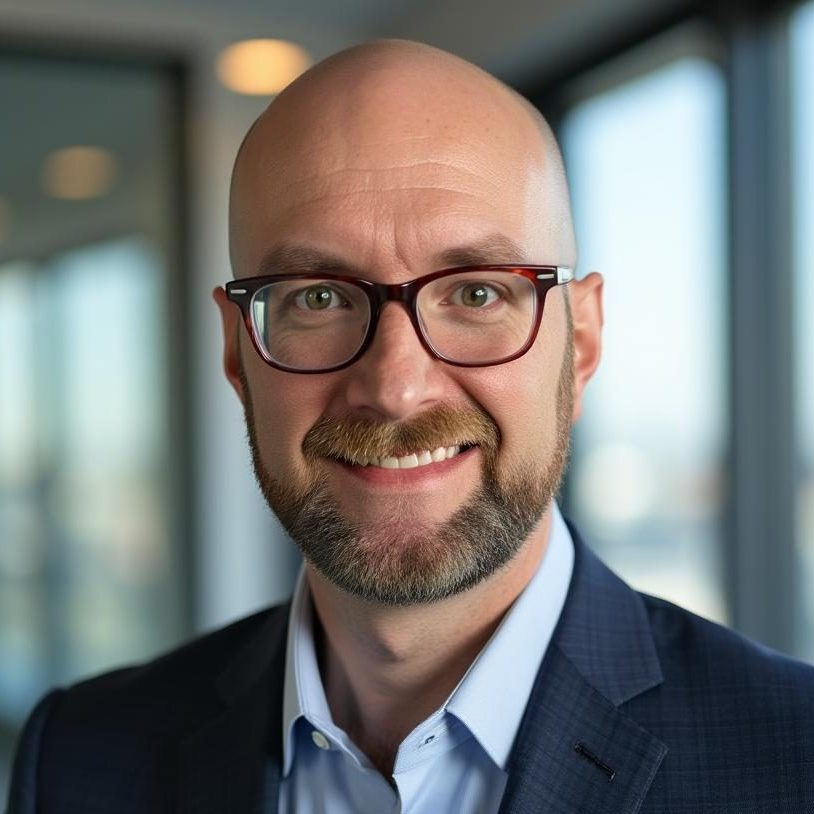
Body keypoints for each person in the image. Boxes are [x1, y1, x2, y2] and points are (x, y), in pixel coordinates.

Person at [6, 39, 814, 814]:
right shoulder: (81, 756)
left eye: (476, 294)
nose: (395, 387)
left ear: (583, 340)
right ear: (236, 348)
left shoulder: (795, 758)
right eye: (318, 298)